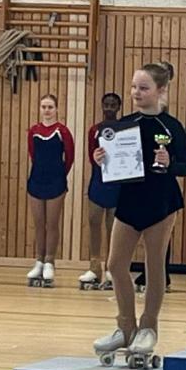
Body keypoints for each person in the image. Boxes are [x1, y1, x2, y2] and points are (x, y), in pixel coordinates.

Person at [92, 62, 186, 367]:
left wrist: (169, 162)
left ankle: (148, 326)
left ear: (161, 90)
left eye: (144, 88)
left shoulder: (171, 126)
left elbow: (185, 166)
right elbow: (114, 163)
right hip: (130, 200)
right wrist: (100, 158)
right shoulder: (123, 125)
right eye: (134, 86)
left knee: (154, 263)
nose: (136, 92)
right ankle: (125, 327)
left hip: (161, 202)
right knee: (115, 264)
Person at [26, 94, 74, 287]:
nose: (47, 110)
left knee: (52, 223)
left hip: (56, 182)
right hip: (36, 180)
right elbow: (33, 153)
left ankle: (49, 261)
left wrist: (60, 176)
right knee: (39, 223)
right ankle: (39, 260)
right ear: (40, 108)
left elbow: (69, 157)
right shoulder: (34, 130)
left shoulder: (63, 131)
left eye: (50, 107)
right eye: (44, 107)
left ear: (56, 109)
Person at [79, 92, 122, 290]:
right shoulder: (94, 130)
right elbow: (91, 156)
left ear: (119, 107)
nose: (109, 108)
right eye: (106, 104)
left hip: (117, 184)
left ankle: (112, 268)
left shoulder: (124, 130)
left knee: (113, 228)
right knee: (94, 223)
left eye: (113, 105)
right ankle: (94, 267)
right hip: (98, 182)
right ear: (101, 106)